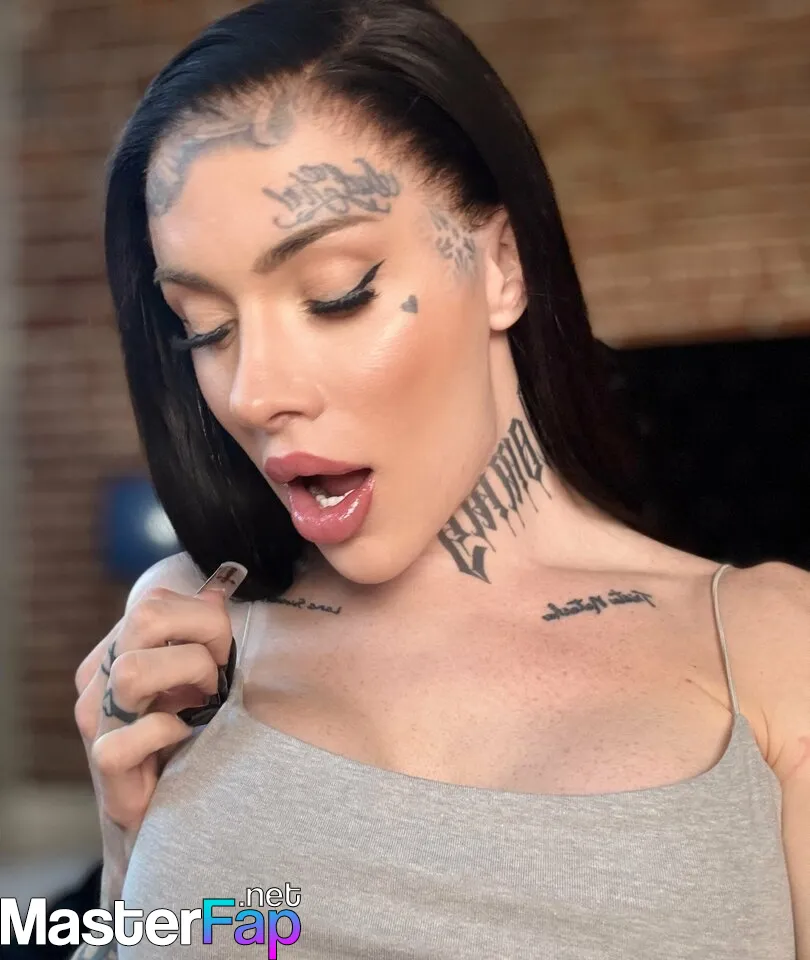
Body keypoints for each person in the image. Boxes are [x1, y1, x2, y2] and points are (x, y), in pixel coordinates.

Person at [72, 1, 809, 957]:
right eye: (205, 328)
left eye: (336, 295)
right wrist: (126, 858)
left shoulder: (771, 648)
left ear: (500, 265)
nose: (253, 393)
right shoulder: (186, 634)